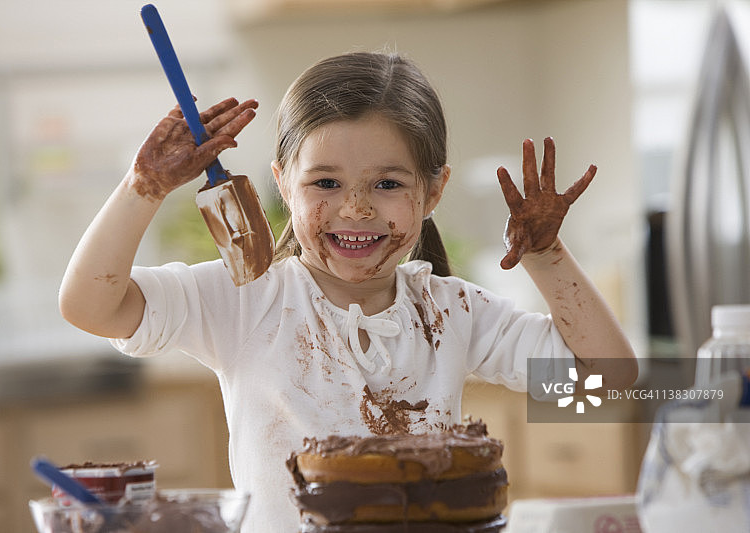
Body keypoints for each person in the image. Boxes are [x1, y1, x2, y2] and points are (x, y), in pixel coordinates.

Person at [59, 51, 637, 532]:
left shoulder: (453, 311)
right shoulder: (245, 299)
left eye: (388, 183)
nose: (355, 209)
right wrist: (145, 188)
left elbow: (607, 380)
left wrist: (546, 256)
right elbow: (91, 306)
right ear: (283, 182)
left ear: (434, 191)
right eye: (325, 182)